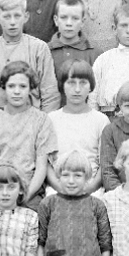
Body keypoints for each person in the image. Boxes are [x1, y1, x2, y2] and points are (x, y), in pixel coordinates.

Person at [0, 0, 60, 117]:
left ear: (26, 17)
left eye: (17, 16)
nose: (12, 22)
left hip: (31, 123)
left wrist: (44, 124)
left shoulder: (39, 49)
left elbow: (50, 94)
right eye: (7, 17)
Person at [0, 61, 57, 211]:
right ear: (3, 87)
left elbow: (41, 167)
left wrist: (25, 196)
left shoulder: (41, 120)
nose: (17, 91)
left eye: (22, 86)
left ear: (30, 88)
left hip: (29, 191)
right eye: (11, 86)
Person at [46, 59, 110, 196]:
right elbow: (46, 163)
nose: (77, 89)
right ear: (62, 85)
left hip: (91, 188)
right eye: (71, 83)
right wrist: (58, 187)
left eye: (83, 83)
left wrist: (90, 188)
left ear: (91, 86)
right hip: (58, 187)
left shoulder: (101, 121)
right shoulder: (51, 120)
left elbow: (105, 164)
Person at [48, 0, 102, 84]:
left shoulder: (95, 53)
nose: (69, 23)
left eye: (75, 18)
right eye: (64, 17)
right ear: (56, 20)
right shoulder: (45, 51)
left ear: (82, 22)